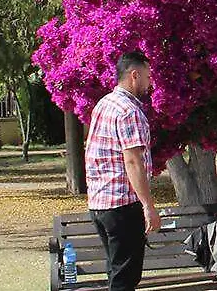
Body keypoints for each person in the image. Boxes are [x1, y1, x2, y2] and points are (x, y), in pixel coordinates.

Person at [85, 51, 160, 291]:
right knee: (125, 279)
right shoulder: (129, 111)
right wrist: (148, 206)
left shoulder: (103, 105)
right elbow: (133, 162)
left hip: (100, 204)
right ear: (134, 75)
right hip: (122, 205)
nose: (150, 83)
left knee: (116, 273)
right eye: (148, 77)